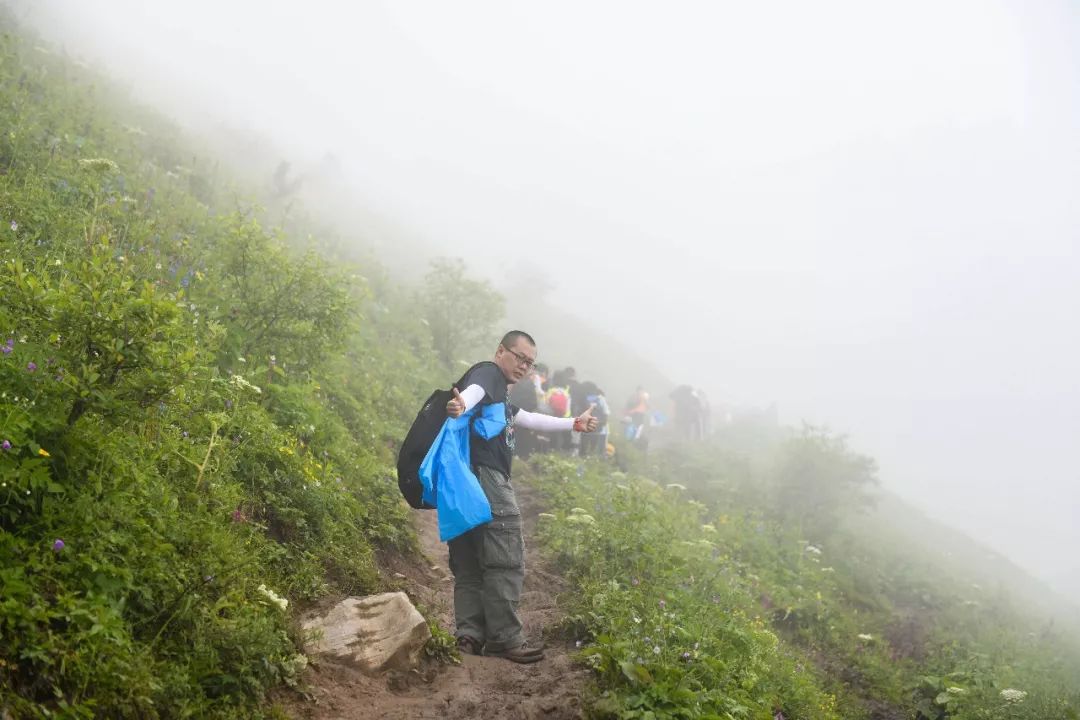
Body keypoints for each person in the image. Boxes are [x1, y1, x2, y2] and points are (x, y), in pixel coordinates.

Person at [444, 331, 598, 663]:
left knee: (469, 561)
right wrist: (460, 404)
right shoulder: (489, 374)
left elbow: (526, 418)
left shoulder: (499, 399)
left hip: (459, 482)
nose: (525, 366)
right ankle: (504, 638)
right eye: (520, 358)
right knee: (505, 554)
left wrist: (573, 423)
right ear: (502, 351)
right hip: (486, 477)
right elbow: (473, 392)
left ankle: (468, 636)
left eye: (530, 362)